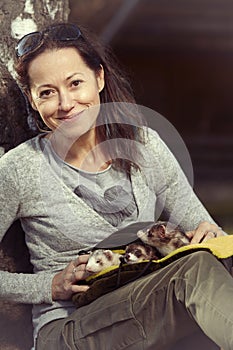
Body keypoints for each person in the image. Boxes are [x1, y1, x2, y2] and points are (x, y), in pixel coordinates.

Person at [0, 22, 232, 350]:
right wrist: (49, 286)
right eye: (47, 92)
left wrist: (210, 234)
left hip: (149, 303)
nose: (65, 103)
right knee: (193, 272)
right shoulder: (20, 168)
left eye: (75, 83)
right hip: (71, 326)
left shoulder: (144, 144)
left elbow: (207, 234)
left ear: (99, 78)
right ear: (32, 99)